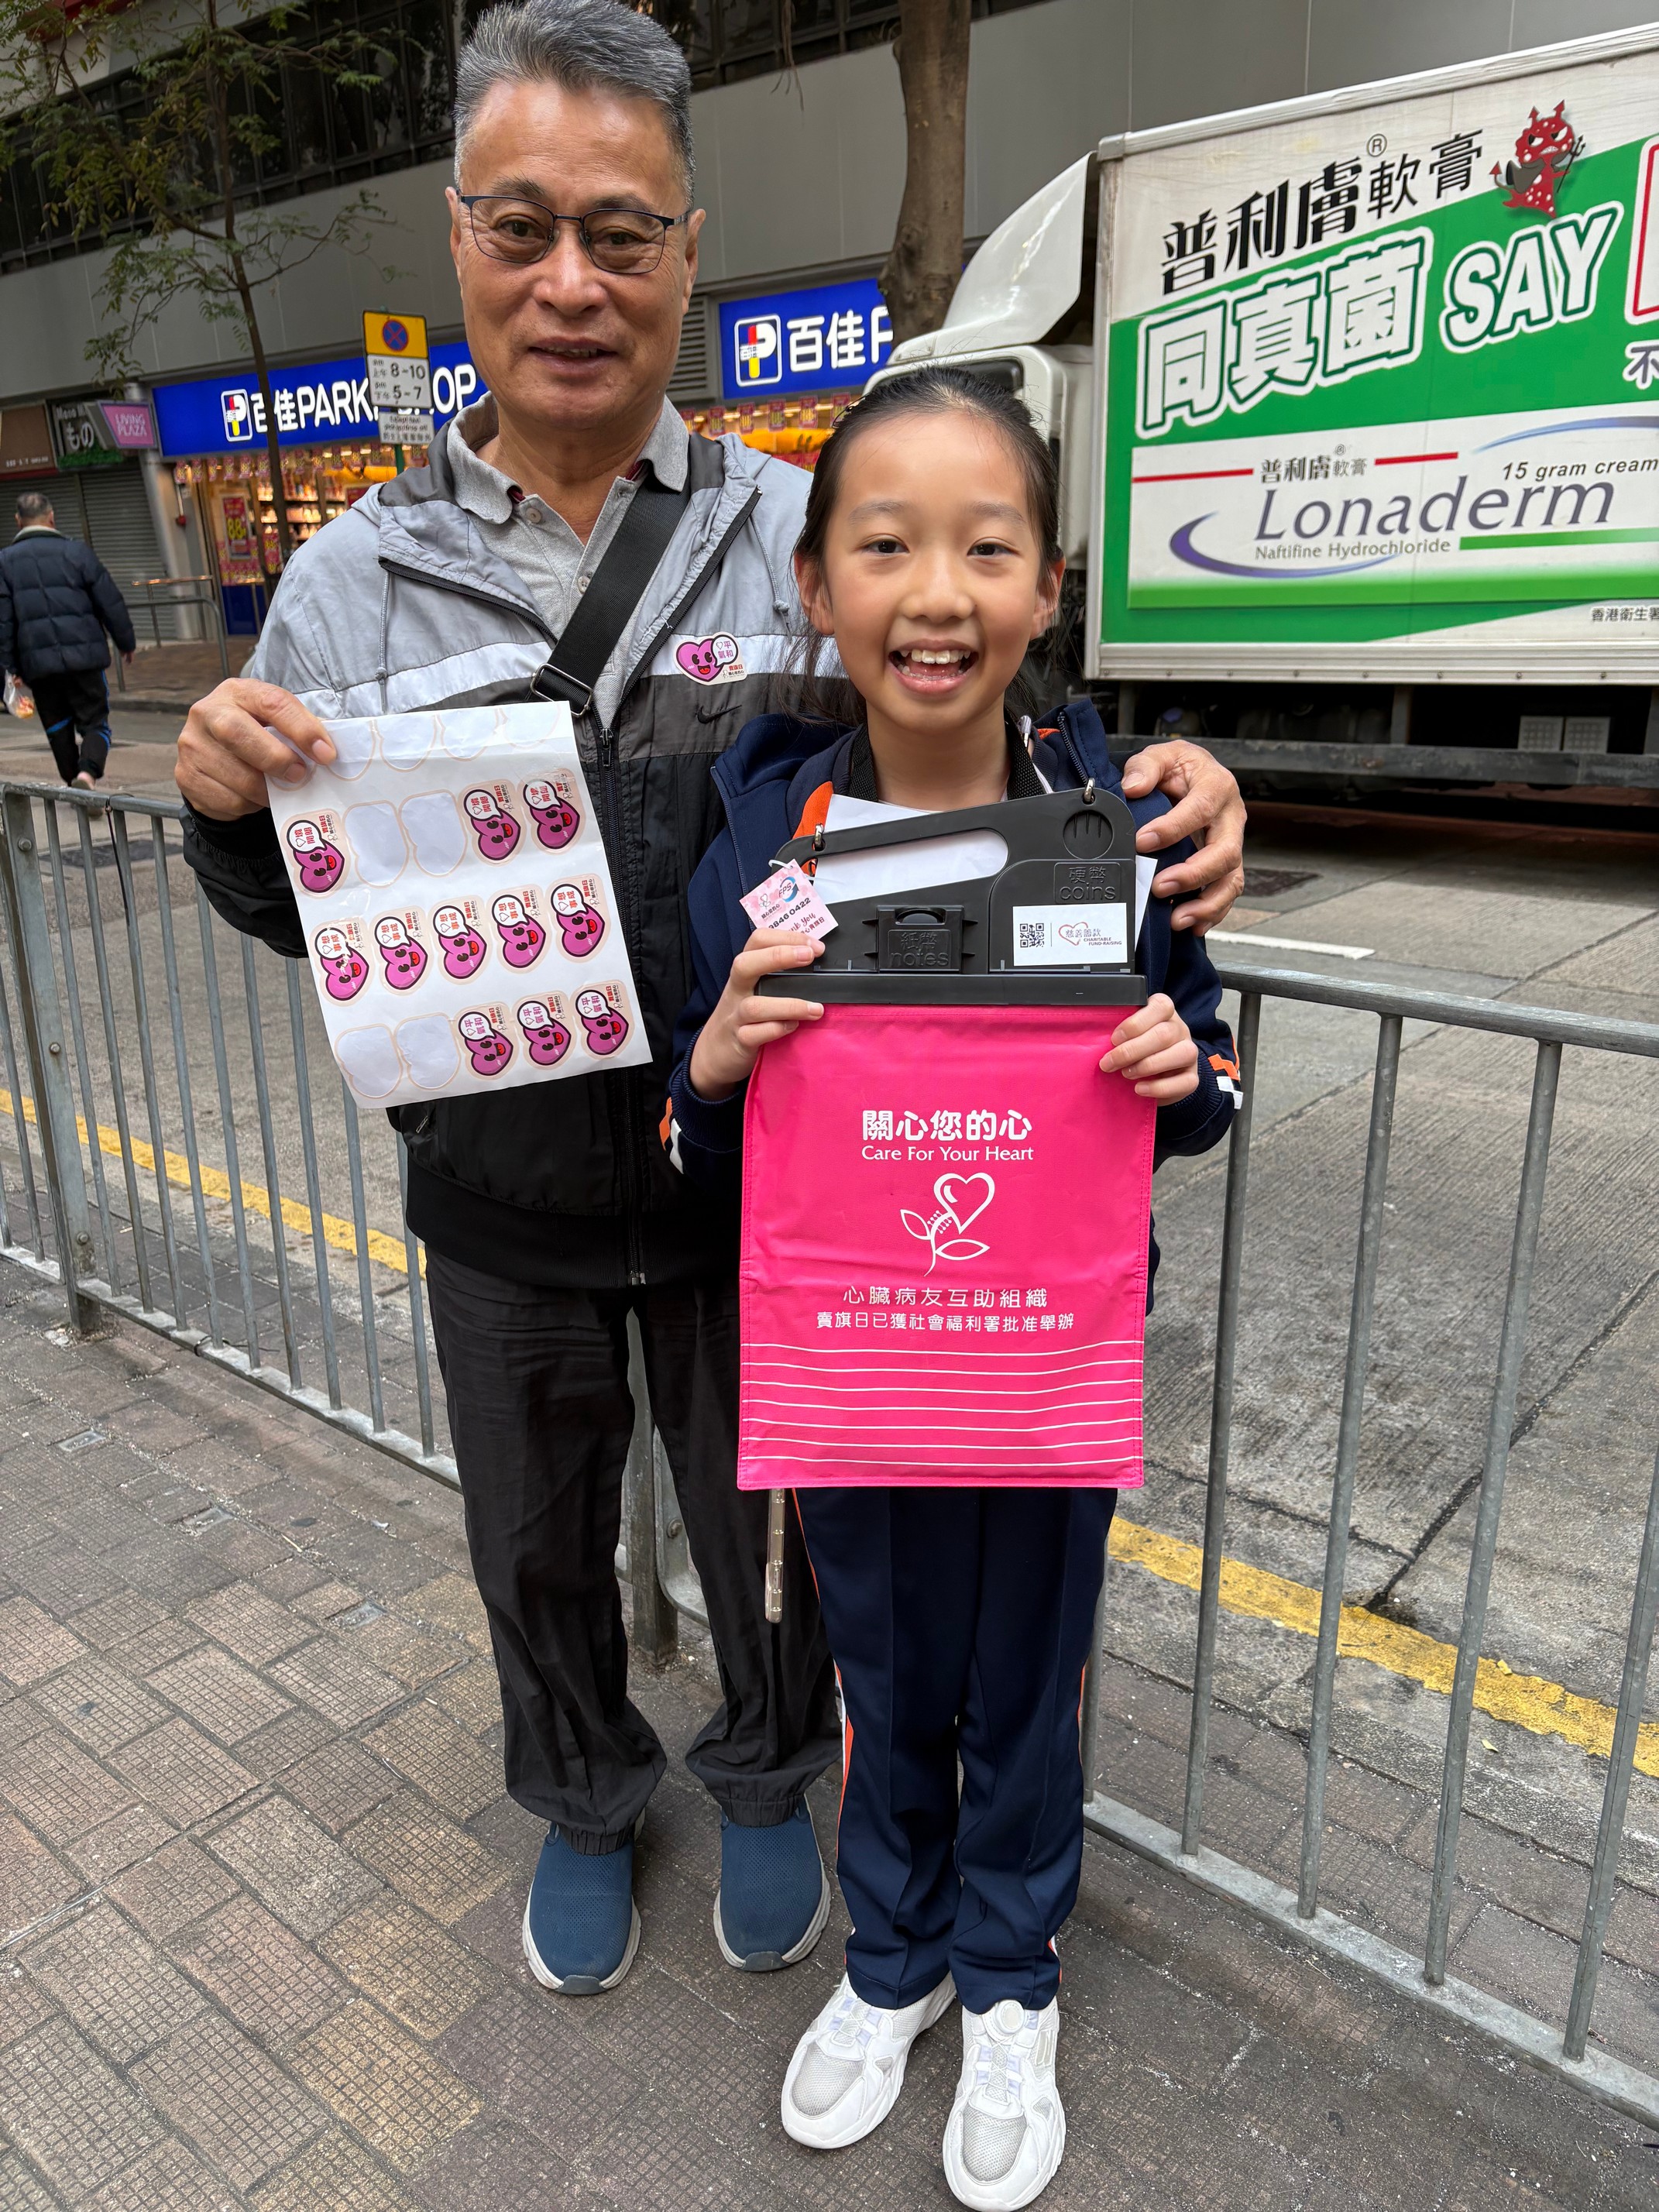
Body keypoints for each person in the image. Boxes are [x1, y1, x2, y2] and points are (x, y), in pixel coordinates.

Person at [173, 0, 1248, 1998]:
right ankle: (586, 1800)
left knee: (779, 1542)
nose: (571, 283)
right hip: (497, 1204)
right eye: (522, 228)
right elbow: (313, 916)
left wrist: (1168, 780)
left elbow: (968, 748)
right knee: (532, 1546)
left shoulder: (788, 532)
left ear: (687, 247)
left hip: (764, 1198)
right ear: (459, 239)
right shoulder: (343, 586)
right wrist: (228, 815)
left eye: (621, 232)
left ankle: (765, 1774)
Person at [665, 368, 1239, 2208]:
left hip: (1041, 1363)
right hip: (857, 1371)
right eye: (887, 546)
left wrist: (1181, 1074)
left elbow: (1208, 1084)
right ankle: (892, 1956)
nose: (937, 594)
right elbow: (700, 1140)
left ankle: (1009, 1979)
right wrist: (714, 1074)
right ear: (818, 585)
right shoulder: (759, 855)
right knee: (888, 1675)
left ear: (1048, 586)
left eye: (987, 549)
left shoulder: (1116, 837)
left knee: (1025, 1683)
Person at [0, 491, 135, 788]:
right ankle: (88, 774)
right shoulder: (77, 552)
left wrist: (9, 669)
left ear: (18, 521)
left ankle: (75, 785)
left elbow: (3, 621)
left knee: (57, 726)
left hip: (38, 665)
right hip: (85, 659)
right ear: (51, 518)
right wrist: (126, 641)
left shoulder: (4, 562)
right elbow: (109, 600)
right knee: (96, 722)